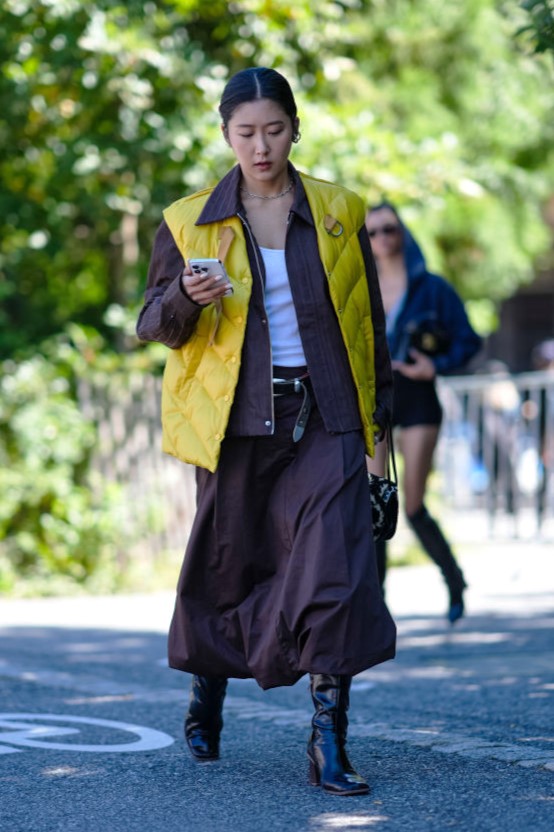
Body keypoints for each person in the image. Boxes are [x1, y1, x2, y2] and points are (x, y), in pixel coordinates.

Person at [137, 67, 396, 796]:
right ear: (225, 134)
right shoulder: (190, 220)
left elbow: (366, 321)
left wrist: (381, 430)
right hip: (236, 420)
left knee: (336, 576)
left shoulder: (340, 210)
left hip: (330, 417)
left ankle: (329, 742)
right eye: (246, 132)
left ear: (295, 128)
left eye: (274, 129)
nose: (261, 146)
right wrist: (185, 296)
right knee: (230, 564)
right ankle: (207, 695)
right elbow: (151, 323)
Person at [365, 202, 482, 624]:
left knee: (412, 504)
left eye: (389, 229)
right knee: (373, 501)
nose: (382, 239)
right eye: (373, 232)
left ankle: (454, 580)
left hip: (417, 396)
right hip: (377, 398)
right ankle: (375, 605)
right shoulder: (361, 286)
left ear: (402, 232)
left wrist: (436, 365)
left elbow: (469, 340)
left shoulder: (431, 288)